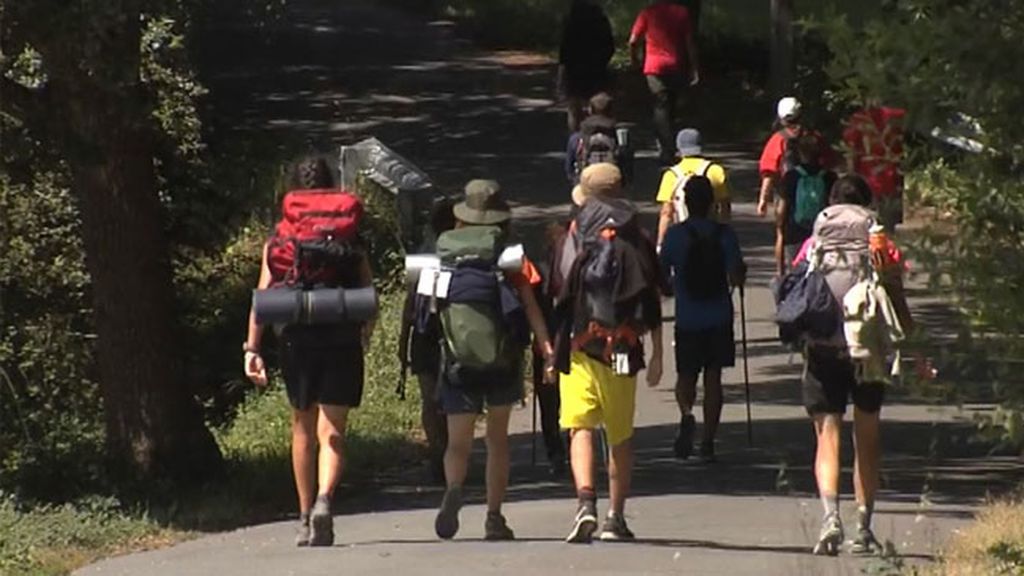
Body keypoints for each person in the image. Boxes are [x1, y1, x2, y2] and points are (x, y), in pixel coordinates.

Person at [243, 157, 375, 547]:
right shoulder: (349, 235)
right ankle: (324, 500)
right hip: (340, 333)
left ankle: (303, 517)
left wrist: (253, 348)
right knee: (332, 429)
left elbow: (262, 297)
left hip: (297, 335)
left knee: (302, 427)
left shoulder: (280, 238)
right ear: (332, 186)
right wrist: (364, 334)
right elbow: (368, 290)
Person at [791, 175, 913, 556]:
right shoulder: (879, 242)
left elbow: (798, 287)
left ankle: (830, 518)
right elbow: (895, 292)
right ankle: (863, 526)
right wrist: (909, 339)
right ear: (867, 204)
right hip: (867, 350)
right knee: (867, 436)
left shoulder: (815, 243)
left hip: (824, 345)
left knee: (827, 435)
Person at [431, 180, 555, 541]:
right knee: (497, 440)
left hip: (457, 358)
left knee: (458, 441)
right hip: (503, 358)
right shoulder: (509, 256)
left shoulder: (443, 255)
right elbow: (530, 306)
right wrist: (546, 350)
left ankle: (454, 486)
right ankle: (493, 517)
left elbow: (429, 310)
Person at [550, 163, 665, 543]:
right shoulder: (638, 236)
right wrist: (659, 352)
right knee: (620, 436)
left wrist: (552, 350)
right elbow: (652, 294)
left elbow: (558, 293)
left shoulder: (572, 234)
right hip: (624, 347)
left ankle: (586, 502)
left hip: (582, 345)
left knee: (579, 427)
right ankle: (616, 517)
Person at [659, 176, 745, 462]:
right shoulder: (725, 235)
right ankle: (708, 441)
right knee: (714, 378)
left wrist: (672, 287)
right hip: (719, 314)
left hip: (688, 317)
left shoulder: (675, 235)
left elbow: (661, 276)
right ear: (711, 203)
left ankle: (686, 413)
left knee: (686, 375)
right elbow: (735, 273)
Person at [399, 200, 457, 484]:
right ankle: (452, 454)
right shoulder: (462, 253)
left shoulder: (422, 254)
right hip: (454, 334)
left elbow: (410, 304)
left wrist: (402, 340)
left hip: (423, 334)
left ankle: (438, 451)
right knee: (453, 398)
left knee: (428, 398)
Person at [629, 0, 700, 165]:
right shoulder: (681, 12)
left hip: (653, 67)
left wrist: (634, 60)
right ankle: (671, 144)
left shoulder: (647, 12)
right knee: (672, 107)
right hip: (676, 65)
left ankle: (665, 148)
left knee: (660, 106)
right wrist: (695, 67)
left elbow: (633, 41)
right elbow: (689, 43)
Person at [655, 128, 732, 250]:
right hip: (710, 235)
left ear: (679, 149)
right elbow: (724, 208)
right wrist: (724, 233)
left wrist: (660, 243)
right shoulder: (715, 170)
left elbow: (666, 213)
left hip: (683, 235)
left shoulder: (671, 175)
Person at [756, 96, 834, 217]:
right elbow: (830, 162)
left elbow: (768, 173)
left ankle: (781, 235)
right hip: (817, 194)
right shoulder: (815, 136)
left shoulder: (778, 139)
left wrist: (763, 200)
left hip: (788, 193)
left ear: (781, 118)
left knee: (785, 220)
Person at [774, 133, 836, 276]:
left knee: (796, 273)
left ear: (800, 152)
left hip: (795, 232)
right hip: (821, 234)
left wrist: (780, 227)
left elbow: (782, 209)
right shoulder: (829, 177)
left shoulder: (791, 177)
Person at [842, 104, 906, 231]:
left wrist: (850, 179)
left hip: (867, 179)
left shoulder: (859, 119)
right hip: (891, 178)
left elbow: (851, 152)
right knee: (887, 226)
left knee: (866, 224)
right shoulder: (896, 116)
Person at [557, 0, 615, 133]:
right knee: (597, 105)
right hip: (596, 69)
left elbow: (564, 48)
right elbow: (610, 46)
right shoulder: (600, 19)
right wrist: (603, 60)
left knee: (573, 108)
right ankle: (595, 136)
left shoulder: (571, 19)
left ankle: (575, 140)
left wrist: (564, 68)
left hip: (573, 69)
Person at [564, 92, 632, 185]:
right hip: (613, 185)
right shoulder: (621, 136)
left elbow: (569, 169)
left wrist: (577, 182)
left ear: (590, 110)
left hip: (586, 184)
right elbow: (628, 168)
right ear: (612, 111)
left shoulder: (577, 138)